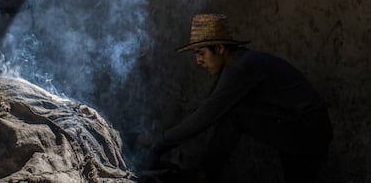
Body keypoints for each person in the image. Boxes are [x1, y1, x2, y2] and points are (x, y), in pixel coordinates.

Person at [142, 13, 333, 183]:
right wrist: (162, 138)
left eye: (201, 53)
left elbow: (206, 116)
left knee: (235, 116)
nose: (198, 61)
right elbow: (206, 108)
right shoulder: (235, 66)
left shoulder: (239, 69)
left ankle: (204, 176)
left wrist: (160, 143)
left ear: (219, 48)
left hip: (308, 128)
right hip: (298, 124)